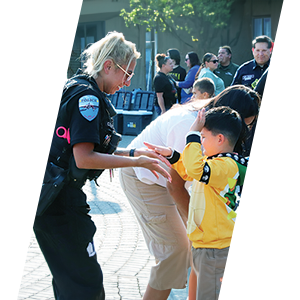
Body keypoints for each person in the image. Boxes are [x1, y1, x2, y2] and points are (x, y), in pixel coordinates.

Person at [33, 31, 171, 300]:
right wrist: (136, 161)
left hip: (54, 201)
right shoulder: (89, 99)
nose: (128, 82)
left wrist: (133, 152)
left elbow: (89, 148)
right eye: (126, 73)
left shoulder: (79, 87)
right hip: (60, 204)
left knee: (71, 280)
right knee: (86, 284)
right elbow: (84, 158)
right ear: (108, 66)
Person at [118, 85, 260, 300]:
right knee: (175, 252)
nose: (244, 133)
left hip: (171, 181)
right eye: (244, 126)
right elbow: (180, 179)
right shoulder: (192, 128)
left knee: (194, 252)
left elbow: (192, 173)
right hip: (143, 178)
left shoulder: (216, 144)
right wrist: (195, 227)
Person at [147, 106, 248, 300]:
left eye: (202, 137)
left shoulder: (226, 166)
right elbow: (188, 170)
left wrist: (192, 132)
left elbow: (194, 169)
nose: (199, 142)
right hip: (206, 245)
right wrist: (171, 155)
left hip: (215, 249)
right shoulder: (217, 162)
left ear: (220, 139)